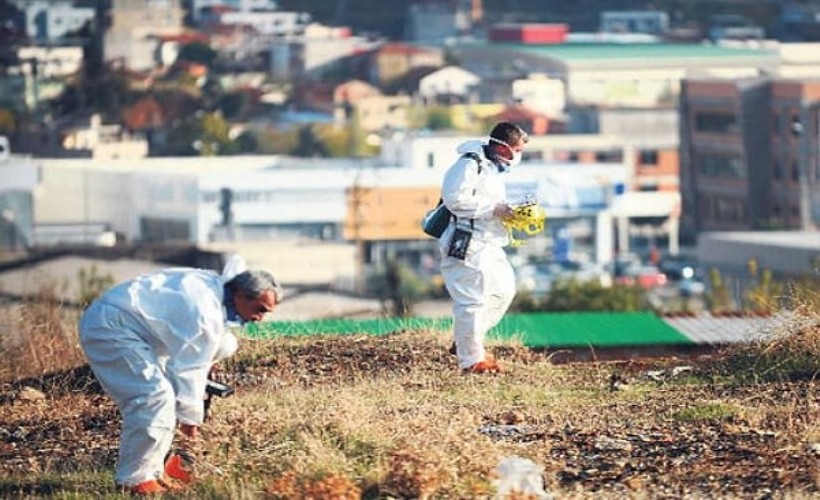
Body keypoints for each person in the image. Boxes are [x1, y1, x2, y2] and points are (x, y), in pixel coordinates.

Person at [78, 256, 281, 495]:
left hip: (143, 331)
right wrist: (190, 427)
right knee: (154, 397)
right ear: (241, 296)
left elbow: (199, 355)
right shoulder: (204, 313)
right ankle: (134, 481)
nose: (259, 319)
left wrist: (201, 371)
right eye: (260, 309)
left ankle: (155, 472)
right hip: (112, 328)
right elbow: (189, 372)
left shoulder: (215, 292)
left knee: (227, 343)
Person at [438, 122, 529, 374]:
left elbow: (487, 200)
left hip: (488, 239)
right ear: (501, 147)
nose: (518, 155)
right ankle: (471, 361)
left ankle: (468, 340)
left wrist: (509, 212)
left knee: (503, 291)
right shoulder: (468, 165)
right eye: (516, 150)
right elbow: (455, 199)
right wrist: (494, 209)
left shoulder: (493, 168)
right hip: (466, 240)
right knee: (472, 300)